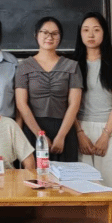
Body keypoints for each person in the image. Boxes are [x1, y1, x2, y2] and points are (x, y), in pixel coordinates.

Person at [72, 13, 112, 223]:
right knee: (85, 191)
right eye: (86, 30)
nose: (91, 34)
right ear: (80, 34)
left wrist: (105, 135)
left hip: (108, 130)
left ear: (104, 32)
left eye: (96, 29)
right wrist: (79, 133)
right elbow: (69, 104)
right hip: (80, 130)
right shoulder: (73, 64)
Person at [15, 16, 82, 162]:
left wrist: (61, 136)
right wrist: (40, 135)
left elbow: (74, 104)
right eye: (44, 32)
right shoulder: (24, 66)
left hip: (64, 129)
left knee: (66, 175)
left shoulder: (72, 66)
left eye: (55, 33)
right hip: (33, 129)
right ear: (36, 34)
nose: (49, 37)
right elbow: (21, 104)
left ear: (60, 37)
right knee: (35, 174)